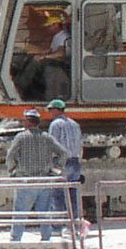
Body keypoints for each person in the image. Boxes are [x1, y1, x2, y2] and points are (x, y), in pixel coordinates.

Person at [5, 108, 68, 241]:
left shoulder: (21, 137)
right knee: (44, 212)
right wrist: (54, 170)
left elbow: (10, 156)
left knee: (20, 213)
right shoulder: (47, 138)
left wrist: (13, 172)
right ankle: (46, 238)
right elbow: (63, 153)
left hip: (26, 181)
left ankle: (16, 239)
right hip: (44, 181)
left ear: (28, 122)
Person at [45, 98, 89, 238]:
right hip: (75, 161)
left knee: (57, 194)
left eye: (51, 110)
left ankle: (58, 226)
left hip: (61, 162)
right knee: (73, 194)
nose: (50, 113)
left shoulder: (55, 124)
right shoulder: (75, 124)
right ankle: (73, 225)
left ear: (57, 110)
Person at [40, 18, 71, 99]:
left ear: (56, 25)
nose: (48, 28)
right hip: (55, 60)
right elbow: (52, 50)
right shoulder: (56, 36)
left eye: (49, 26)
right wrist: (42, 52)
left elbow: (60, 53)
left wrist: (45, 57)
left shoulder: (64, 36)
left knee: (37, 65)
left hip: (62, 63)